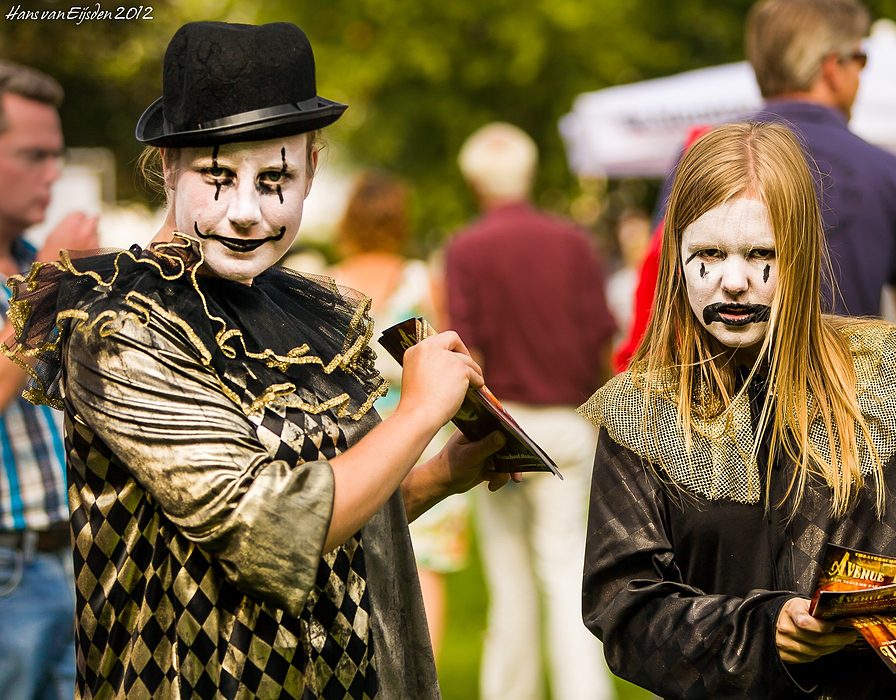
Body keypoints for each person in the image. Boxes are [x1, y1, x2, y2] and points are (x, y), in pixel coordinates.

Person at [3, 22, 514, 698]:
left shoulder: (295, 310)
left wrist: (440, 473)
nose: (246, 212)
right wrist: (415, 414)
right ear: (166, 166)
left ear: (311, 172)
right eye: (218, 177)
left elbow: (327, 517)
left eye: (275, 178)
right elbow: (267, 529)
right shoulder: (120, 328)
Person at [579, 122, 896, 698]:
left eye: (761, 254)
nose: (734, 281)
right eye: (709, 254)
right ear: (675, 259)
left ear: (803, 254)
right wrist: (764, 631)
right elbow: (625, 611)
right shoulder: (640, 410)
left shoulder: (895, 380)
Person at [444, 122, 616, 700]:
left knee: (511, 583)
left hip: (504, 422)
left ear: (475, 181)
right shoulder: (573, 243)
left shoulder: (466, 249)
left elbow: (471, 352)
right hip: (570, 422)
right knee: (566, 575)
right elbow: (600, 343)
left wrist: (485, 431)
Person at [329, 169, 470, 662]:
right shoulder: (419, 279)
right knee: (424, 569)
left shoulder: (330, 285)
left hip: (356, 440)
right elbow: (451, 353)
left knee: (360, 564)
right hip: (425, 438)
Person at [746, 0, 896, 349]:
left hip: (722, 398)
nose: (861, 73)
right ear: (833, 68)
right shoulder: (893, 175)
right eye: (860, 58)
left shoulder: (701, 159)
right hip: (850, 396)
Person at [0, 60, 98, 700]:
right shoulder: (42, 269)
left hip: (74, 559)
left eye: (56, 155)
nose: (54, 174)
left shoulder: (33, 258)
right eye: (34, 155)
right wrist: (50, 282)